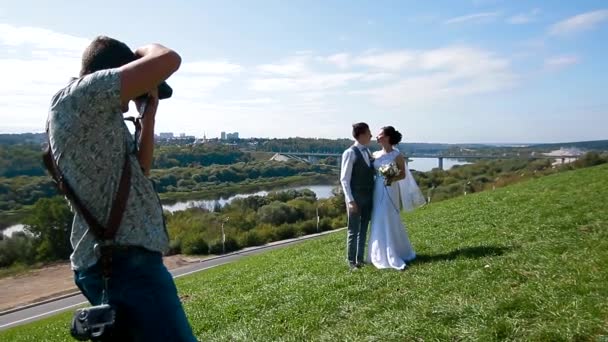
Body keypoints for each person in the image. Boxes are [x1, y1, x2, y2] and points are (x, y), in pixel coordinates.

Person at [46, 35, 197, 341]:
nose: (133, 97)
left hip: (122, 261)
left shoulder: (98, 117)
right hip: (125, 264)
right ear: (111, 73)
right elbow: (169, 59)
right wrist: (141, 54)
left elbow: (140, 171)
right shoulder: (82, 95)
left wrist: (147, 118)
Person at [367, 126, 426, 270]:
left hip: (390, 188)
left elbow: (403, 175)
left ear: (387, 137)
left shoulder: (396, 155)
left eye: (380, 135)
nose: (377, 136)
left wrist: (390, 178)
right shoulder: (374, 154)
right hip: (377, 189)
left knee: (389, 216)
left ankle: (395, 252)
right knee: (378, 217)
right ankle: (377, 253)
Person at [340, 122, 375, 270]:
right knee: (353, 231)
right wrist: (350, 201)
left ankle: (360, 259)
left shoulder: (367, 152)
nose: (371, 136)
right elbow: (344, 179)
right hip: (356, 198)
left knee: (364, 229)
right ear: (361, 135)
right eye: (369, 133)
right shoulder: (350, 153)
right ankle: (351, 262)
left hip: (368, 196)